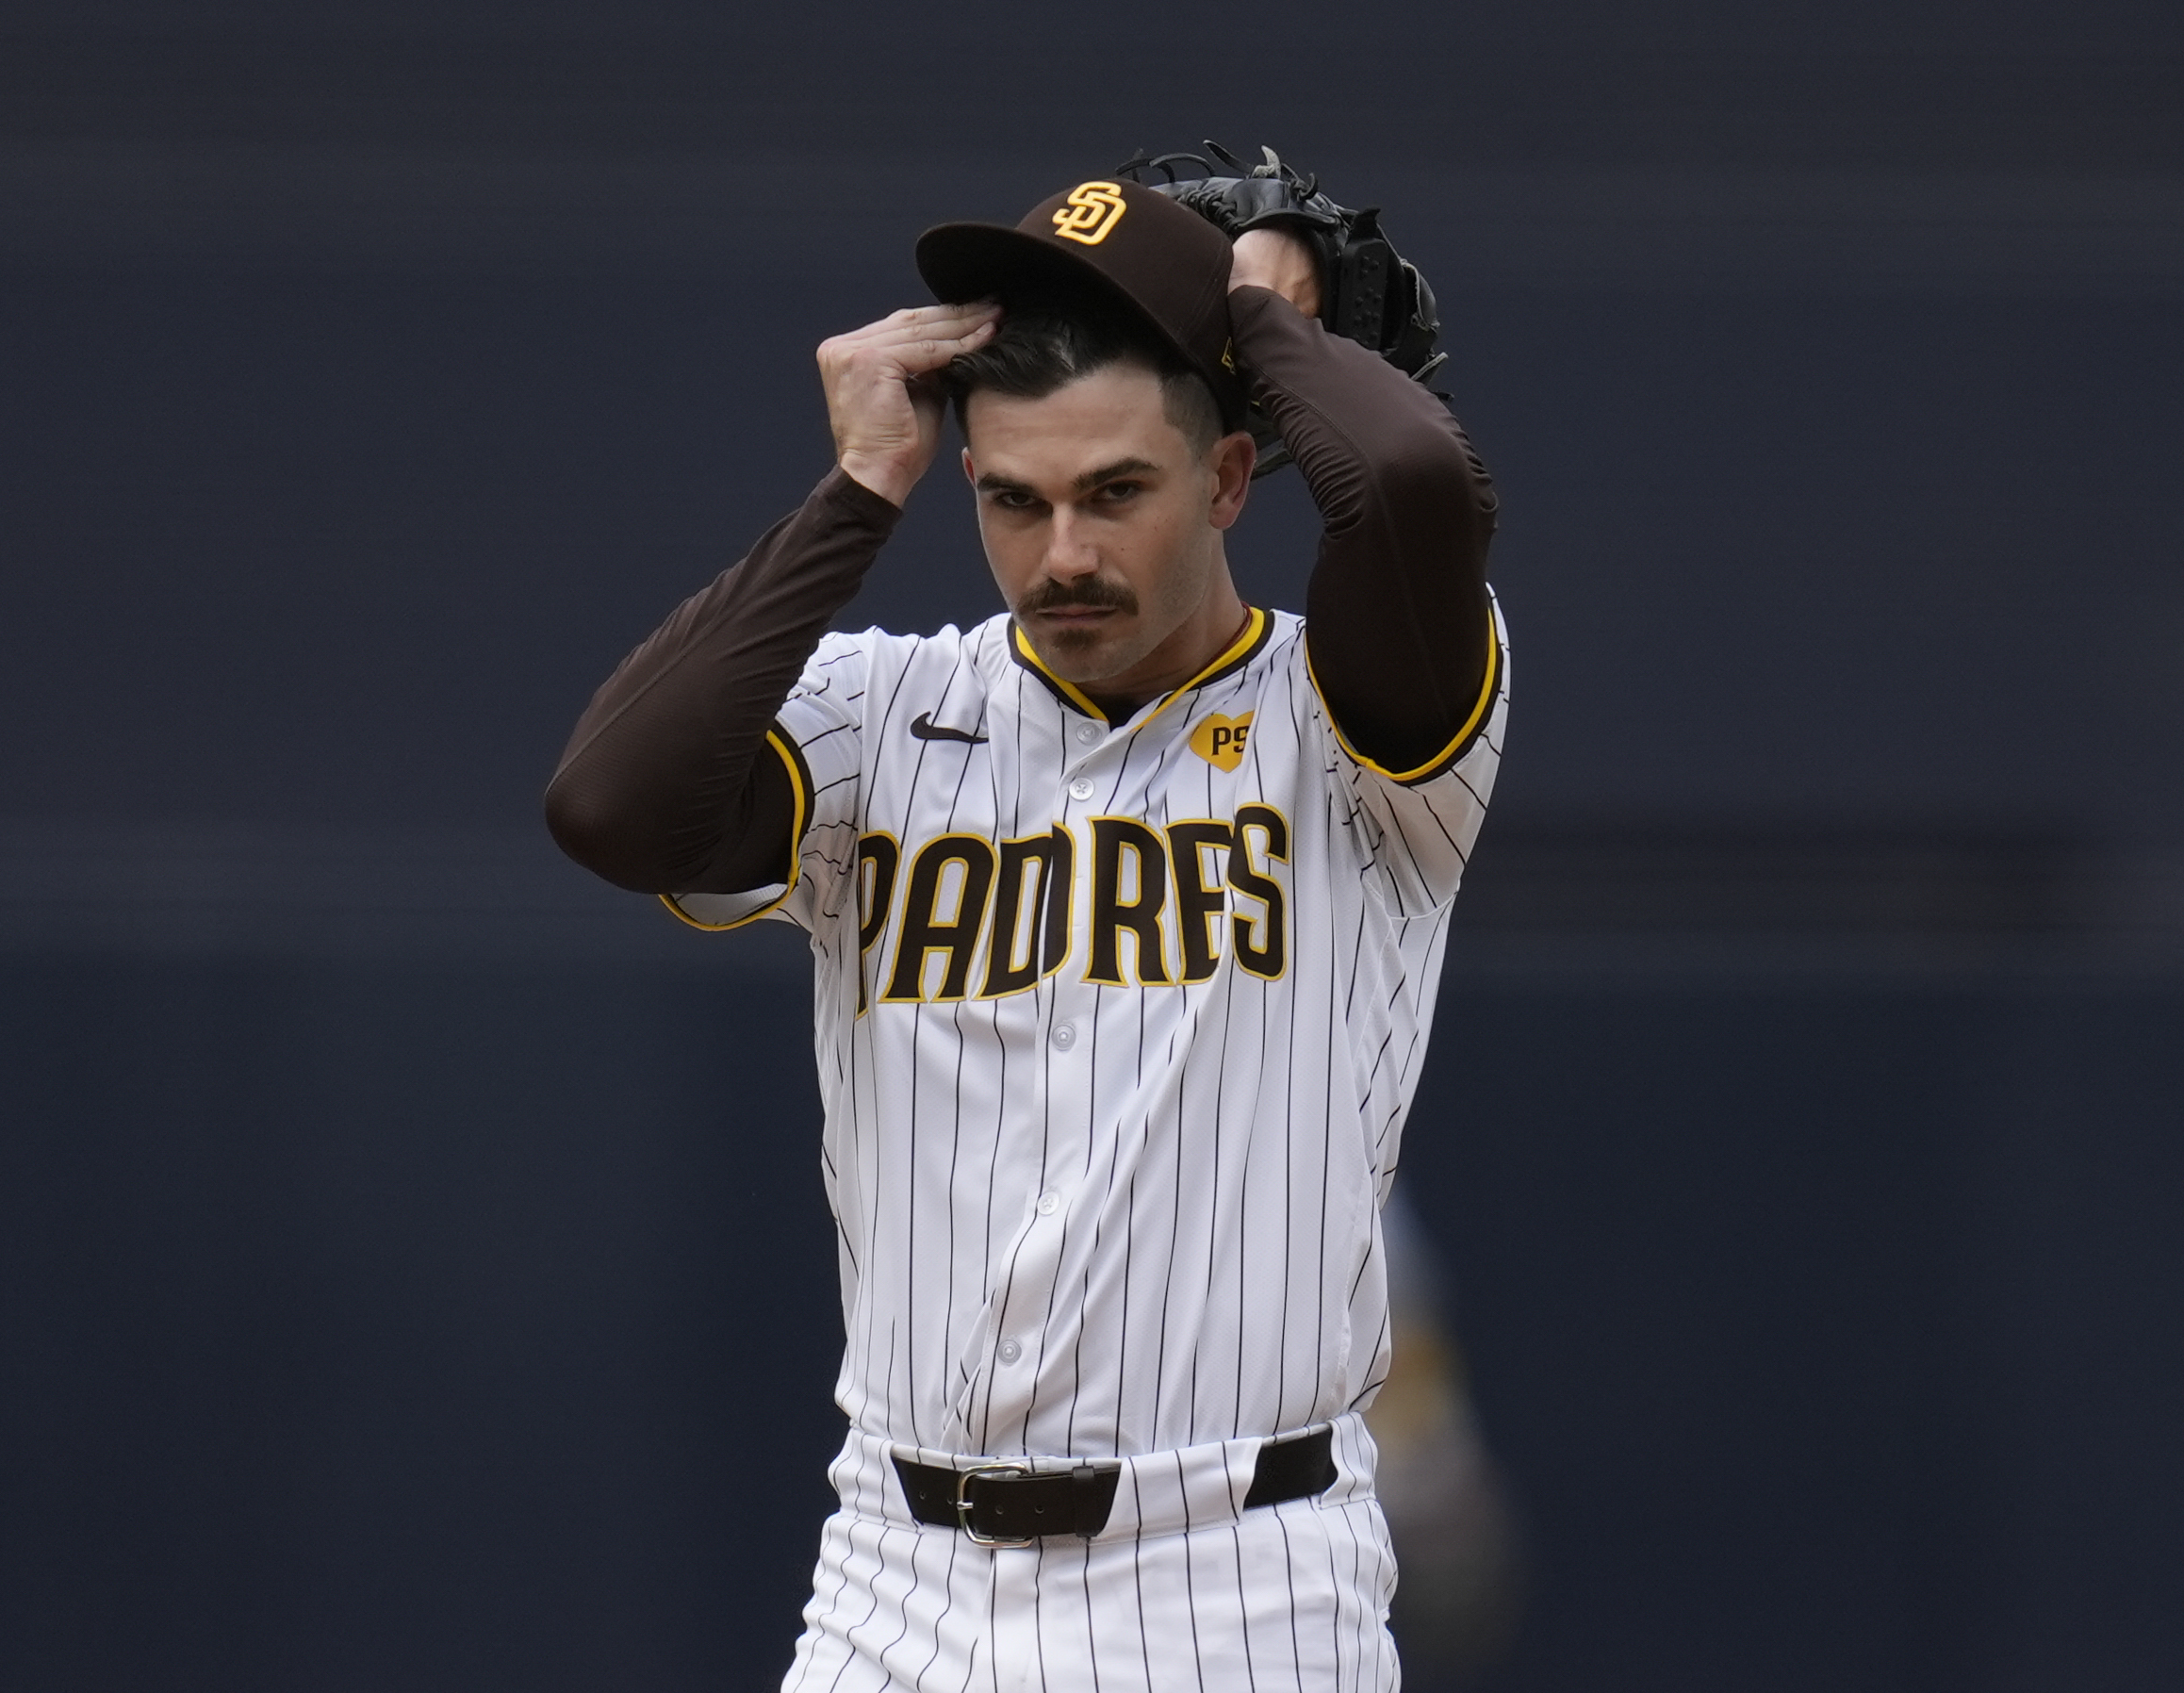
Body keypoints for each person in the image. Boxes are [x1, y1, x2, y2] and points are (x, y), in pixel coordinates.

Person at [546, 173, 1506, 1692]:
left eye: (1114, 491)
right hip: (895, 1576)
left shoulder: (1348, 722)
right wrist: (856, 492)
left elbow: (1405, 487)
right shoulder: (878, 714)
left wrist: (1245, 310)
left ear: (1230, 475)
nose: (1061, 554)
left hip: (1231, 1584)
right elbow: (610, 806)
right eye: (1013, 498)